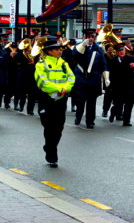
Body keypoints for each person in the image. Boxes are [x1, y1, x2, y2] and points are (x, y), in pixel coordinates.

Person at [35, 40, 75, 168]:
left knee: (59, 128)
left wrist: (65, 89)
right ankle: (51, 152)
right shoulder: (41, 64)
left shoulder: (64, 63)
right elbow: (42, 82)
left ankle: (50, 148)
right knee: (49, 127)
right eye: (57, 49)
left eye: (60, 49)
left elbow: (71, 78)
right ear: (49, 51)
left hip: (61, 100)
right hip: (47, 100)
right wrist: (58, 89)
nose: (60, 51)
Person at [72, 29, 109, 129]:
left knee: (92, 102)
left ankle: (90, 121)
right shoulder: (79, 47)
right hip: (81, 78)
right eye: (88, 37)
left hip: (94, 79)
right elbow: (74, 56)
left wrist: (106, 78)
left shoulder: (99, 49)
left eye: (92, 37)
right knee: (80, 100)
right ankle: (78, 117)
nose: (90, 39)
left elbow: (103, 64)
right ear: (84, 37)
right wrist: (83, 45)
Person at [108, 43, 134, 126]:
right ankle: (113, 111)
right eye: (119, 51)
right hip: (118, 86)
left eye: (122, 50)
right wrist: (111, 86)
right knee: (119, 103)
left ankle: (126, 121)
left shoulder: (130, 58)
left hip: (129, 85)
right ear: (116, 52)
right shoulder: (113, 60)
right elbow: (111, 74)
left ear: (125, 50)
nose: (121, 52)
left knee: (129, 103)